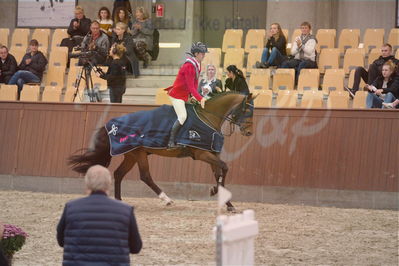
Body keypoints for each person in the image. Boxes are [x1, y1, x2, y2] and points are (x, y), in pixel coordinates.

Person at [56, 165, 142, 265]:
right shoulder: (126, 210)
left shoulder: (71, 208)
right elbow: (136, 247)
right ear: (109, 183)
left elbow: (61, 241)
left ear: (87, 183)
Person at [165, 42, 208, 148]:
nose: (204, 55)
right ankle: (170, 142)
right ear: (196, 53)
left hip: (185, 94)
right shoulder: (189, 66)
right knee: (183, 116)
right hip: (177, 95)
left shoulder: (197, 64)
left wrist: (195, 96)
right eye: (202, 53)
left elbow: (195, 83)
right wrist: (200, 98)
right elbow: (190, 86)